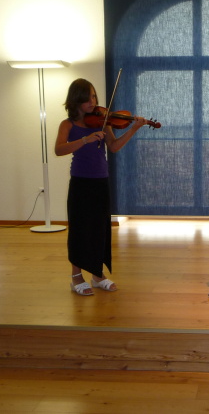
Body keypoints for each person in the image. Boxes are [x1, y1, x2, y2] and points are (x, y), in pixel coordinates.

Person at [55, 78, 148, 296]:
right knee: (80, 230)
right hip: (80, 182)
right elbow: (59, 150)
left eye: (94, 96)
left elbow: (114, 147)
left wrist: (134, 129)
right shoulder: (67, 124)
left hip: (101, 181)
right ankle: (76, 277)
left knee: (100, 229)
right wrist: (85, 140)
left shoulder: (103, 121)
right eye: (87, 98)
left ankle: (97, 275)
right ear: (76, 100)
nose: (92, 101)